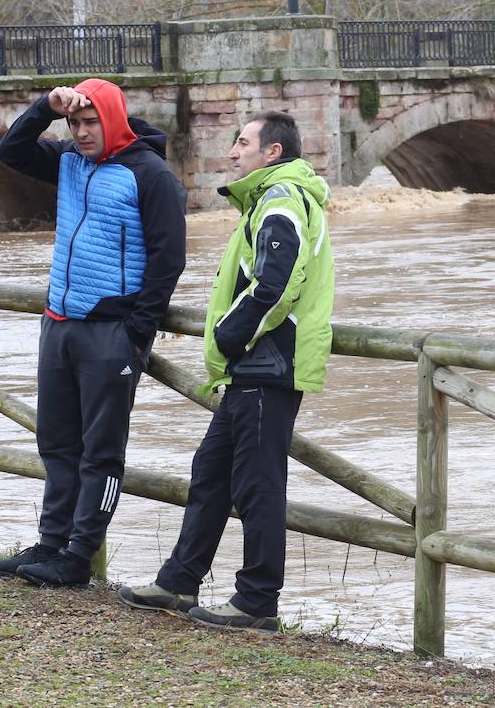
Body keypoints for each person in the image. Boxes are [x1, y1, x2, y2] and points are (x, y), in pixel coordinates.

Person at [117, 110, 334, 631]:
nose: (233, 153)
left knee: (258, 485)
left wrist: (226, 335)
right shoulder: (267, 199)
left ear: (273, 152)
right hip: (254, 366)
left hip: (269, 363)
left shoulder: (280, 200)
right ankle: (179, 580)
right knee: (211, 473)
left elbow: (276, 283)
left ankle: (257, 601)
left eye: (243, 143)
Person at [0, 79, 186, 588]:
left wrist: (136, 334)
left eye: (89, 121)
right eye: (74, 123)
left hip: (111, 332)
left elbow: (169, 259)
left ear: (114, 118)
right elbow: (10, 150)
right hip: (60, 324)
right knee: (56, 443)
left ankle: (78, 555)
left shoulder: (151, 174)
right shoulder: (68, 161)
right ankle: (50, 543)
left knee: (101, 450)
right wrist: (46, 108)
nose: (80, 132)